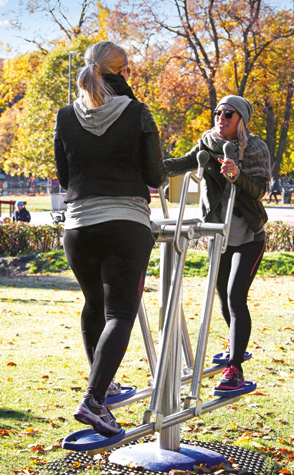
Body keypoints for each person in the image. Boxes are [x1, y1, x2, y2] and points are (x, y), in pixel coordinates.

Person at [53, 40, 166, 435]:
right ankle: (94, 400)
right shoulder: (137, 112)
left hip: (79, 226)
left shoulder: (65, 115)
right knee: (121, 313)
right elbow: (155, 176)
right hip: (125, 224)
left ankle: (104, 385)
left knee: (93, 303)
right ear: (124, 72)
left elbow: (66, 178)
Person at [164, 95, 271, 390]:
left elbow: (260, 189)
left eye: (228, 114)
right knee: (223, 295)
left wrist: (237, 175)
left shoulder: (257, 147)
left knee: (237, 296)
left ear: (241, 120)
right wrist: (151, 167)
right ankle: (236, 346)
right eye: (217, 113)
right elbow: (182, 163)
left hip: (249, 233)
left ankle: (235, 369)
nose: (220, 118)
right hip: (217, 233)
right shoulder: (207, 143)